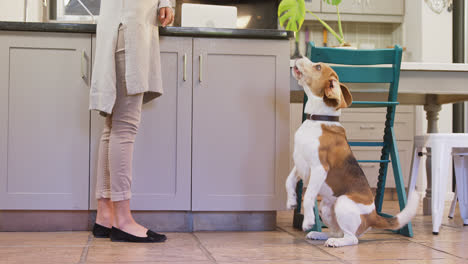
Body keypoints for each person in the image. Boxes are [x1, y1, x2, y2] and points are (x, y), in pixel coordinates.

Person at [89, 0, 174, 243]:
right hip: (128, 26)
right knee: (124, 126)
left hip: (123, 23)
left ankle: (106, 214)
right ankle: (123, 220)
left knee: (114, 125)